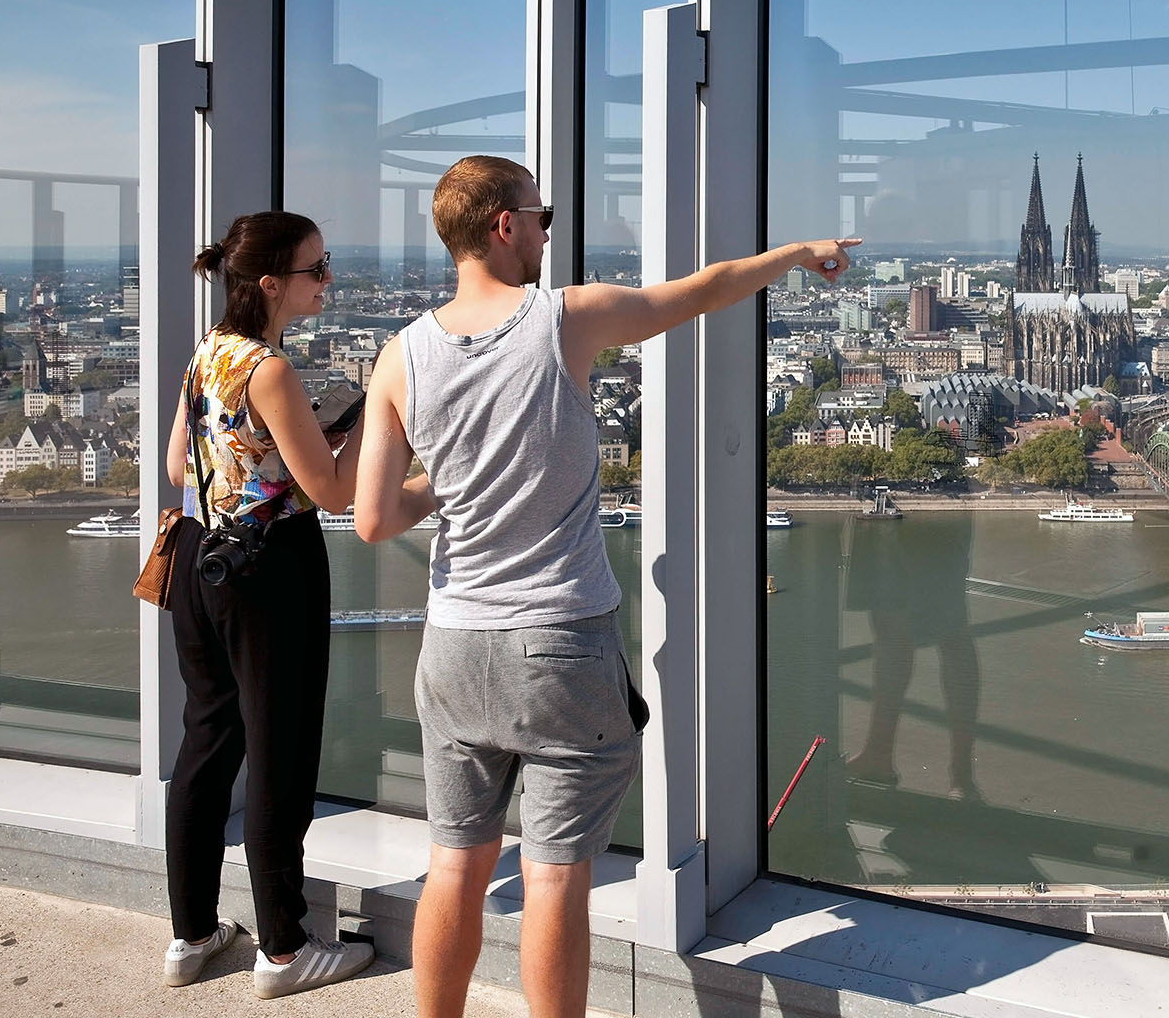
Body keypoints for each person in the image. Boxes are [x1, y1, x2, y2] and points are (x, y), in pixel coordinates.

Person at [354, 155, 855, 1018]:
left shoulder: (401, 356)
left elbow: (370, 519)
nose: (549, 227)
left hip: (452, 644)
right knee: (553, 877)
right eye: (540, 211)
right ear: (504, 225)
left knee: (455, 863)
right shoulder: (563, 319)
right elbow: (701, 291)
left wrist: (463, 477)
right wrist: (796, 253)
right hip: (557, 641)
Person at [160, 211, 378, 998]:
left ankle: (190, 935)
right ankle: (284, 950)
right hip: (269, 569)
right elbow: (330, 490)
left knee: (208, 741)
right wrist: (369, 412)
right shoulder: (270, 371)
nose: (328, 282)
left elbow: (179, 464)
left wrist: (293, 448)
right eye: (317, 270)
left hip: (199, 560)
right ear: (271, 284)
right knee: (279, 755)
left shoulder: (208, 354)